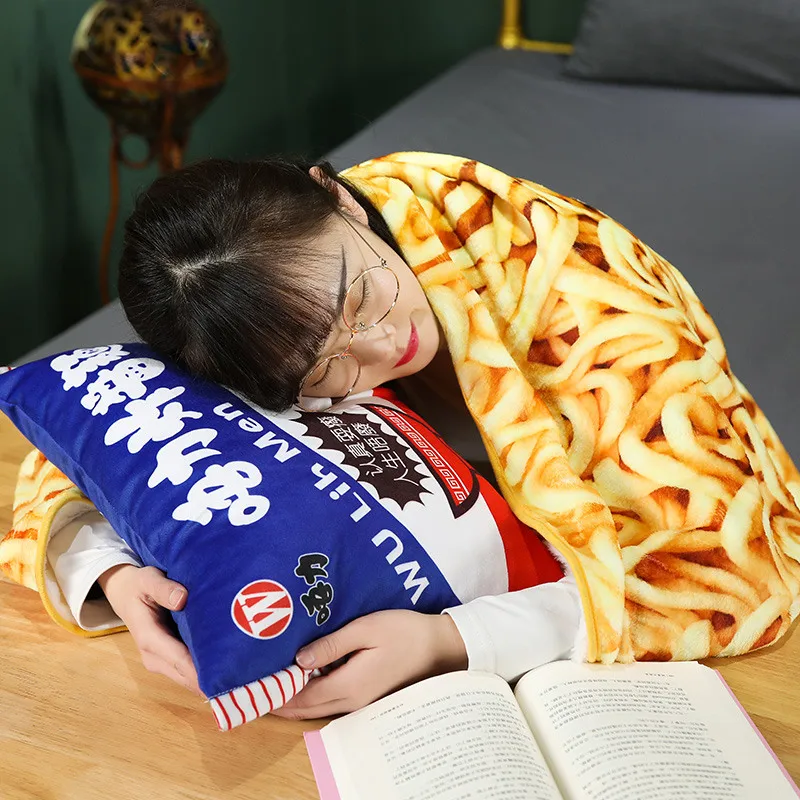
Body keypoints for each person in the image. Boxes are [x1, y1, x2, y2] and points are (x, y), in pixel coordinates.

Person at [46, 151, 800, 719]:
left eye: (361, 297)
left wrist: (452, 641)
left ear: (339, 197)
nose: (382, 345)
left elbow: (735, 570)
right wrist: (109, 571)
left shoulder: (572, 284)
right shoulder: (253, 334)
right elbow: (103, 435)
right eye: (324, 367)